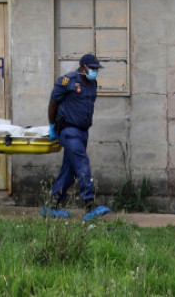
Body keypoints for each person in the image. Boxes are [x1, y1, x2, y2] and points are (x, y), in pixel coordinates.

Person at [43, 52, 111, 222]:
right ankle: (89, 205)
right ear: (82, 67)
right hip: (68, 130)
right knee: (82, 162)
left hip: (82, 132)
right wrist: (52, 127)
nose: (95, 71)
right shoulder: (68, 81)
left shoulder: (92, 84)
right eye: (92, 68)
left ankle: (52, 206)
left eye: (97, 69)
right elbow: (53, 103)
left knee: (70, 169)